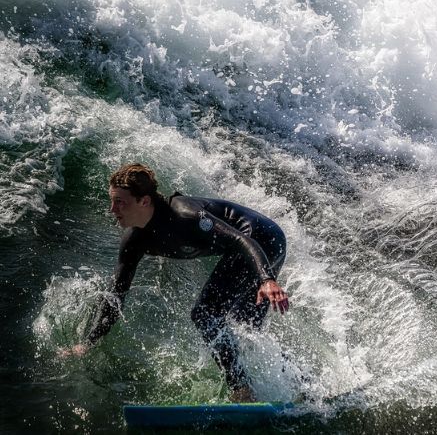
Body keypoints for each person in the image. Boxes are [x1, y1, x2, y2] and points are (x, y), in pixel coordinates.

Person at [59, 163, 290, 403]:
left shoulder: (185, 215)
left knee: (205, 314)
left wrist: (267, 279)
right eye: (112, 201)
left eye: (120, 202)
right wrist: (87, 343)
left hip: (262, 240)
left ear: (144, 201)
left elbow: (240, 239)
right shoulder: (134, 241)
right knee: (245, 329)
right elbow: (116, 296)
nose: (112, 209)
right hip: (250, 251)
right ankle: (297, 382)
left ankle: (242, 391)